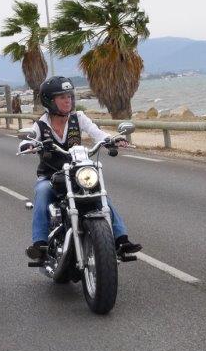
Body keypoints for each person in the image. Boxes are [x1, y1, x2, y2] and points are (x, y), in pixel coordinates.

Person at [20, 76, 142, 260]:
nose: (68, 100)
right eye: (62, 97)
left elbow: (97, 133)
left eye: (69, 96)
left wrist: (111, 140)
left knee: (100, 194)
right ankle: (40, 244)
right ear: (49, 101)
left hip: (77, 174)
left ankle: (121, 240)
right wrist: (27, 145)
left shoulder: (79, 118)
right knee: (42, 192)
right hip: (51, 176)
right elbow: (26, 140)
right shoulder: (41, 125)